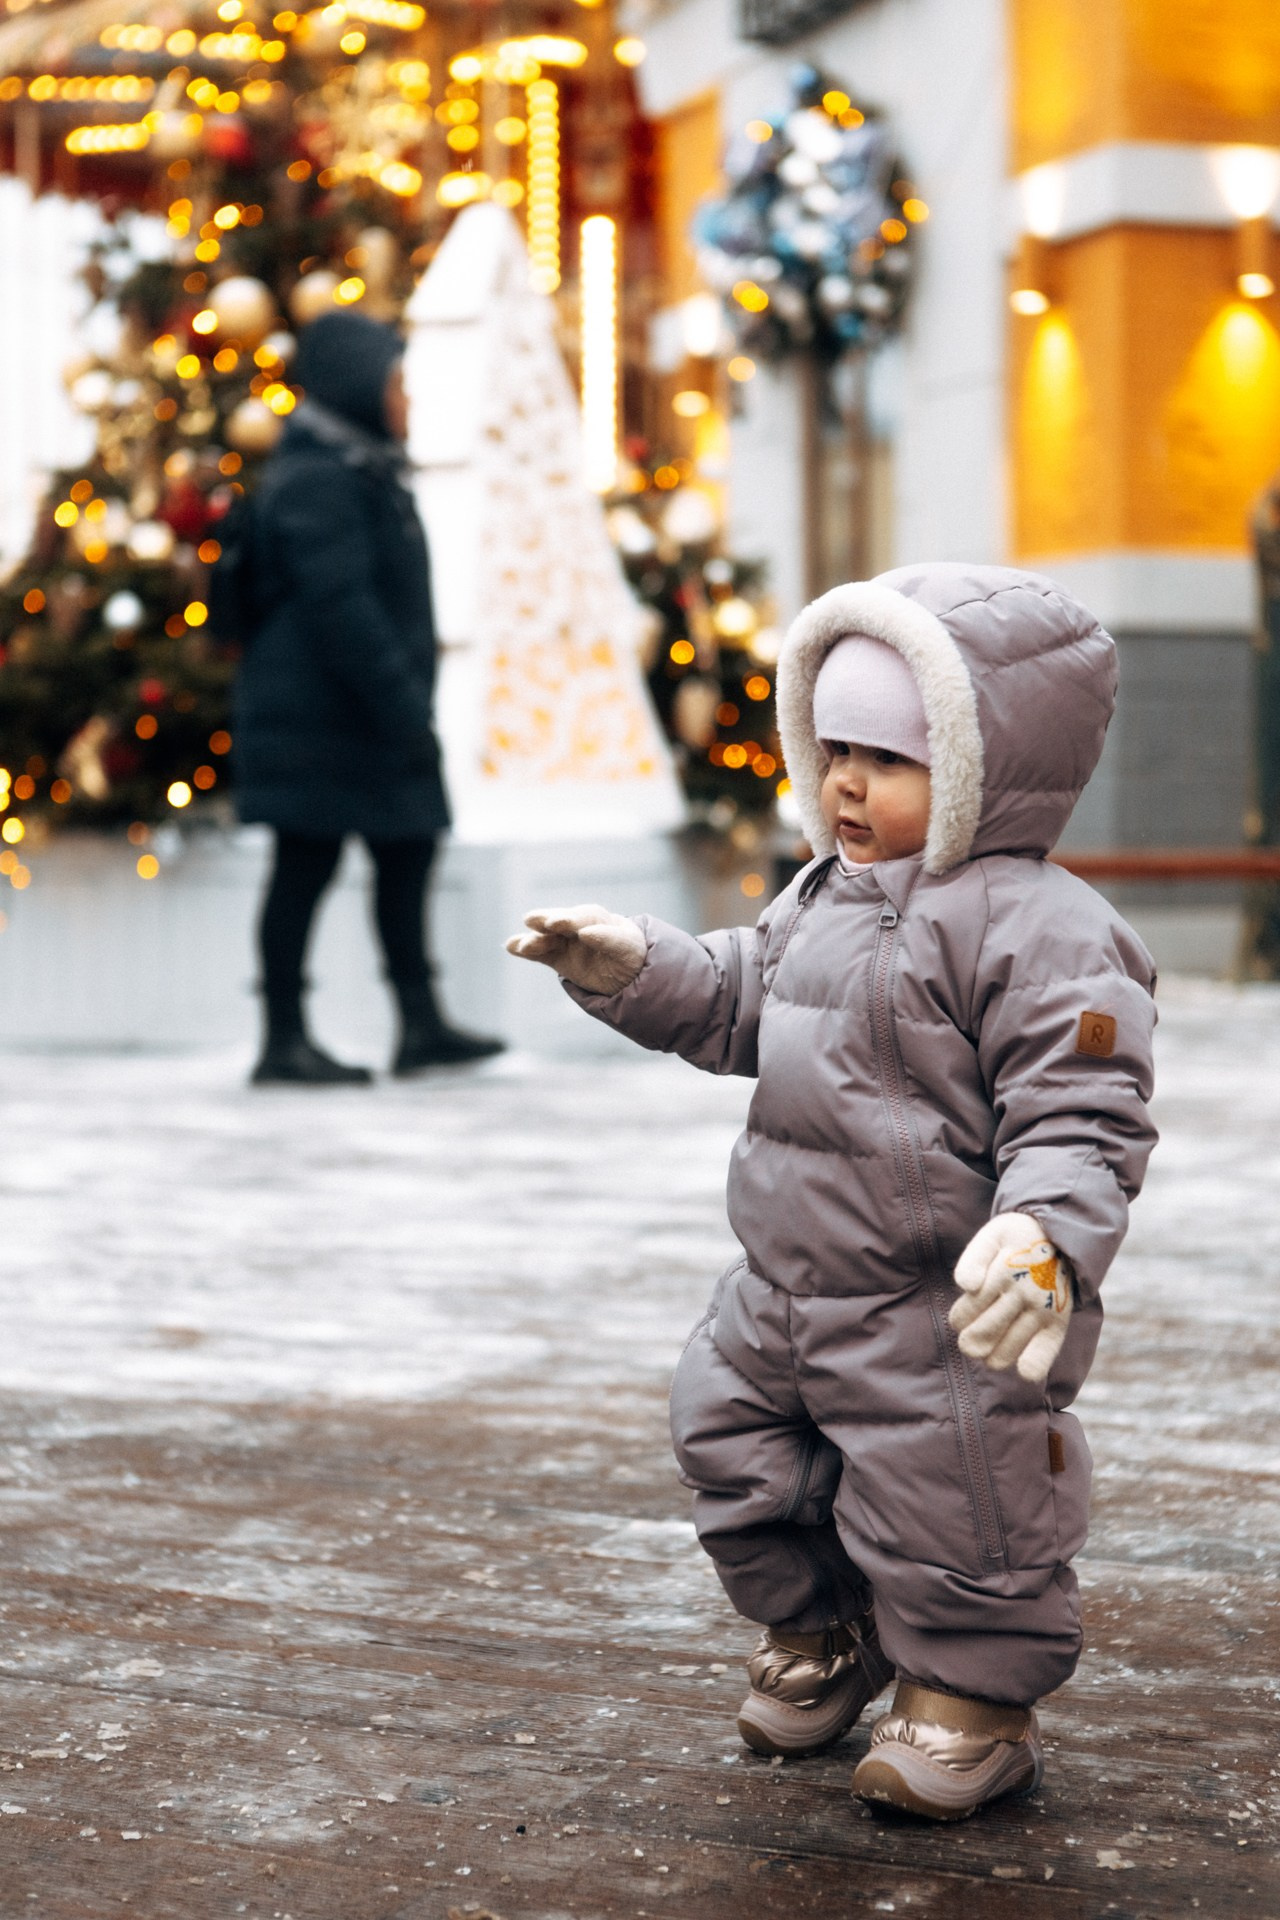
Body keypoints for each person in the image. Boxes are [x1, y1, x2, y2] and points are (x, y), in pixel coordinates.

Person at [506, 563, 1157, 1822]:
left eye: (890, 757)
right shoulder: (822, 898)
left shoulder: (1042, 932)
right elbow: (740, 996)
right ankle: (830, 1628)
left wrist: (1042, 1236)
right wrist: (632, 966)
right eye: (833, 747)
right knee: (732, 1451)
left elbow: (1081, 1114)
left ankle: (972, 1703)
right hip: (786, 1286)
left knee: (960, 1503)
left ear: (985, 763)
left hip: (942, 1308)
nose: (847, 784)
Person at [233, 308, 503, 1083]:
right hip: (320, 719)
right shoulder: (319, 479)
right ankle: (283, 1037)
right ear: (357, 389)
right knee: (304, 865)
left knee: (406, 849)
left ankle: (420, 1024)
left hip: (356, 715)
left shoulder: (361, 467)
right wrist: (401, 705)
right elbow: (341, 609)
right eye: (397, 385)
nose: (408, 401)